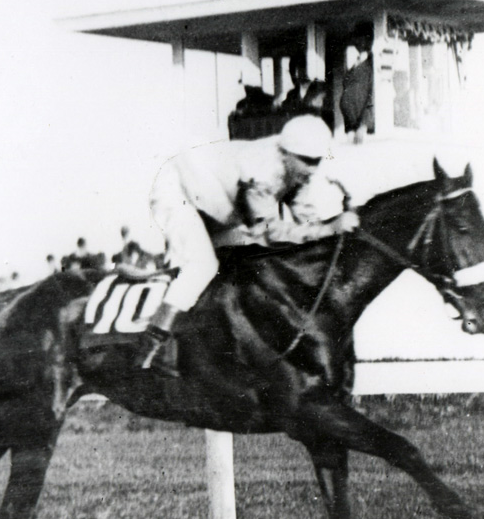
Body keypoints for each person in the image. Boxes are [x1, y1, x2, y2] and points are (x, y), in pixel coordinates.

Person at [139, 115, 359, 374]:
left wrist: (331, 229)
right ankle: (154, 345)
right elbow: (269, 231)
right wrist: (329, 228)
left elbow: (305, 219)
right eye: (307, 161)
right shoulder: (260, 169)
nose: (313, 169)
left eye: (318, 161)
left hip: (213, 197)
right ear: (285, 153)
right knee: (203, 265)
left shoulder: (292, 162)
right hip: (176, 189)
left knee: (238, 265)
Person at [339, 42, 374, 144]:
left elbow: (370, 99)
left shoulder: (367, 69)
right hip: (349, 122)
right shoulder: (351, 70)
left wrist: (363, 126)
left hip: (361, 126)